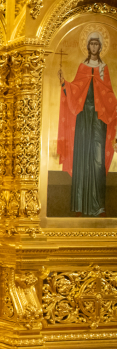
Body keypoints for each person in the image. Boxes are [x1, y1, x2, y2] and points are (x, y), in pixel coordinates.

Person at [57, 31, 117, 217]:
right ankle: (80, 205)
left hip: (99, 119)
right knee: (82, 158)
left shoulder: (104, 69)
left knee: (98, 160)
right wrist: (64, 82)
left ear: (100, 47)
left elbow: (108, 93)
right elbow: (75, 90)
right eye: (91, 44)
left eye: (97, 44)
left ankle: (98, 205)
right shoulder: (82, 67)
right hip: (83, 119)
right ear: (88, 46)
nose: (94, 47)